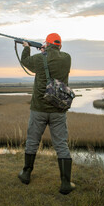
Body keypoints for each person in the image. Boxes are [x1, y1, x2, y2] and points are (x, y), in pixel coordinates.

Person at [18, 33, 75, 195]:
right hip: (58, 110)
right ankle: (65, 183)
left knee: (32, 141)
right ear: (60, 45)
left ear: (46, 44)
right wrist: (46, 50)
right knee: (61, 145)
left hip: (38, 109)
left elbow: (25, 62)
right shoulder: (66, 58)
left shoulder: (39, 59)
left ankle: (26, 174)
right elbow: (56, 55)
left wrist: (26, 48)